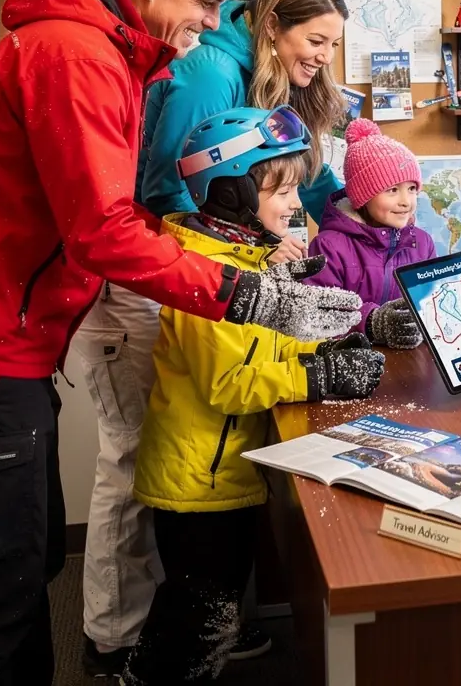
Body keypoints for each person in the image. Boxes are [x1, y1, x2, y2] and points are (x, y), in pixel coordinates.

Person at [0, 0, 361, 685]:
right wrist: (247, 296)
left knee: (25, 561)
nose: (215, 23)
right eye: (206, 4)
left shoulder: (105, 49)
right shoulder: (76, 54)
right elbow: (105, 231)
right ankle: (113, 637)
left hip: (7, 338)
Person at [75, 0, 353, 675]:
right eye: (315, 39)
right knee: (138, 461)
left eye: (332, 44)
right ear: (272, 25)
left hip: (216, 267)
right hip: (170, 275)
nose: (323, 55)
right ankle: (117, 641)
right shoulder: (206, 72)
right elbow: (172, 191)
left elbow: (294, 183)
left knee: (198, 518)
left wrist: (309, 228)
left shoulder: (280, 87)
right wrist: (236, 256)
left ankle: (200, 627)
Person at [122, 106, 385, 685]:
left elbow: (259, 353)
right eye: (283, 188)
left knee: (208, 607)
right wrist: (319, 380)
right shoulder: (205, 275)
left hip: (221, 475)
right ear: (234, 191)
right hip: (198, 484)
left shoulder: (243, 259)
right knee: (196, 619)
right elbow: (230, 384)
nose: (296, 204)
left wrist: (319, 355)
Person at [307, 118, 435, 349]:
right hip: (350, 365)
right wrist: (371, 322)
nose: (406, 201)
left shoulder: (422, 243)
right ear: (363, 196)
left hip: (412, 367)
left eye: (412, 189)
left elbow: (433, 302)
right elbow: (318, 314)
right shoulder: (329, 246)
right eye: (392, 190)